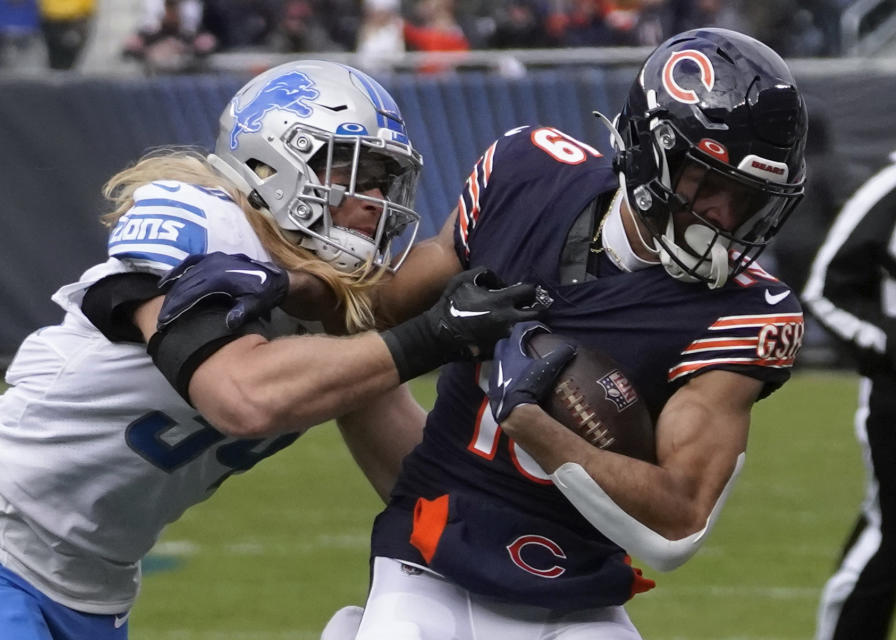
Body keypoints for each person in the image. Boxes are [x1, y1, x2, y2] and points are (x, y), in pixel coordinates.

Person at [0, 60, 543, 640]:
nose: (370, 200)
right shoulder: (202, 218)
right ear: (273, 161)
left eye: (383, 180)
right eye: (351, 173)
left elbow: (415, 477)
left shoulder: (330, 297)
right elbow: (239, 397)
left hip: (95, 587)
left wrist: (540, 502)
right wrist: (432, 335)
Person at [327, 27, 807, 638]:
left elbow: (677, 526)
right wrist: (433, 326)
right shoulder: (528, 174)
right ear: (647, 152)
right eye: (708, 185)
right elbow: (371, 312)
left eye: (749, 200)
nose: (725, 217)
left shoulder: (747, 311)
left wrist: (537, 426)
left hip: (580, 590)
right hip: (428, 558)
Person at [803, 151, 896, 640]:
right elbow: (825, 290)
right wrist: (889, 343)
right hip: (895, 402)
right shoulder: (890, 189)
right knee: (890, 538)